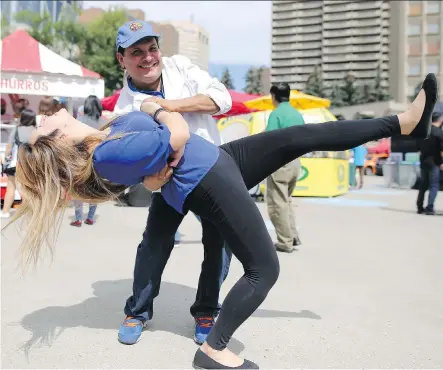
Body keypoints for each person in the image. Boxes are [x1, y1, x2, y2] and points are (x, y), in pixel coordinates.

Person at [6, 73, 437, 369]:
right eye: (42, 124)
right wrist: (159, 107)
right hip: (207, 177)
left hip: (218, 160)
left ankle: (404, 124)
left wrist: (156, 159)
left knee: (300, 136)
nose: (43, 117)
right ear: (56, 139)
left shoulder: (103, 137)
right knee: (264, 269)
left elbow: (154, 170)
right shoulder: (104, 153)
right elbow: (173, 135)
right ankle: (214, 350)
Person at [112, 20, 233, 345]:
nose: (148, 57)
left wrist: (169, 106)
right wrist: (151, 180)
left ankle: (207, 309)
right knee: (154, 244)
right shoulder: (124, 109)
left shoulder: (181, 66)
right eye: (136, 52)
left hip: (211, 174)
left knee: (218, 245)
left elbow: (221, 99)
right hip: (169, 184)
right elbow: (136, 171)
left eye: (152, 48)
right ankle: (137, 311)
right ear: (122, 60)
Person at [266, 83, 305, 252]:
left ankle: (284, 242)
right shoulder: (297, 115)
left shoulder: (276, 114)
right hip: (296, 162)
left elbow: (268, 139)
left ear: (274, 96)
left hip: (280, 163)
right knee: (287, 201)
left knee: (277, 203)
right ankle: (293, 236)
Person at [70, 96, 106, 227]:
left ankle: (78, 218)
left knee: (78, 189)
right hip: (98, 160)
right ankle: (90, 217)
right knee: (94, 189)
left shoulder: (79, 121)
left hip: (80, 159)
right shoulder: (103, 123)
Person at [1, 109, 37, 218]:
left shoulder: (16, 129)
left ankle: (5, 212)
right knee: (28, 189)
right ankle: (31, 213)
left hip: (14, 164)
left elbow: (9, 146)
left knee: (11, 187)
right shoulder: (36, 131)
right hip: (29, 165)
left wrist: (6, 157)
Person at [416, 111, 443, 215]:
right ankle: (429, 208)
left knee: (423, 184)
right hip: (435, 161)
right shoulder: (439, 133)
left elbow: (417, 147)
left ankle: (419, 207)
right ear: (439, 120)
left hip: (423, 160)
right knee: (434, 185)